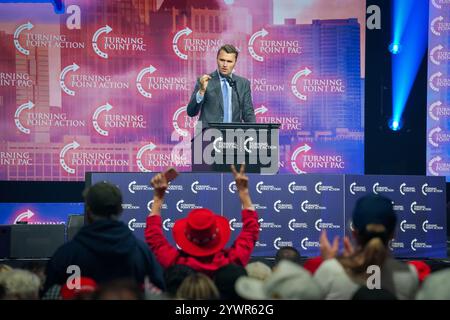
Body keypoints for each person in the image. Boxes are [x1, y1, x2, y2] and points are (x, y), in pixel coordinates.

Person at [42, 182, 165, 295]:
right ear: (120, 209)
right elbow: (159, 292)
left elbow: (49, 294)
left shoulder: (66, 254)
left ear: (88, 211)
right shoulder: (142, 252)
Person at [145, 164, 259, 277]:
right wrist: (244, 193)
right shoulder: (232, 262)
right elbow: (251, 231)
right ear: (218, 233)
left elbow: (154, 238)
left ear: (186, 236)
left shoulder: (175, 264)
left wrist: (158, 199)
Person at [314, 194, 418, 300]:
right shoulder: (409, 276)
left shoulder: (330, 272)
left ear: (353, 232)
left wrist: (329, 265)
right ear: (393, 234)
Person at [187, 44, 256, 126]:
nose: (225, 65)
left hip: (234, 136)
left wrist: (254, 133)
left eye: (229, 61)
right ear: (217, 59)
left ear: (235, 62)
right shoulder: (205, 81)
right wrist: (201, 91)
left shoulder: (243, 84)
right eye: (222, 60)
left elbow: (248, 113)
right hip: (208, 135)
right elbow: (191, 112)